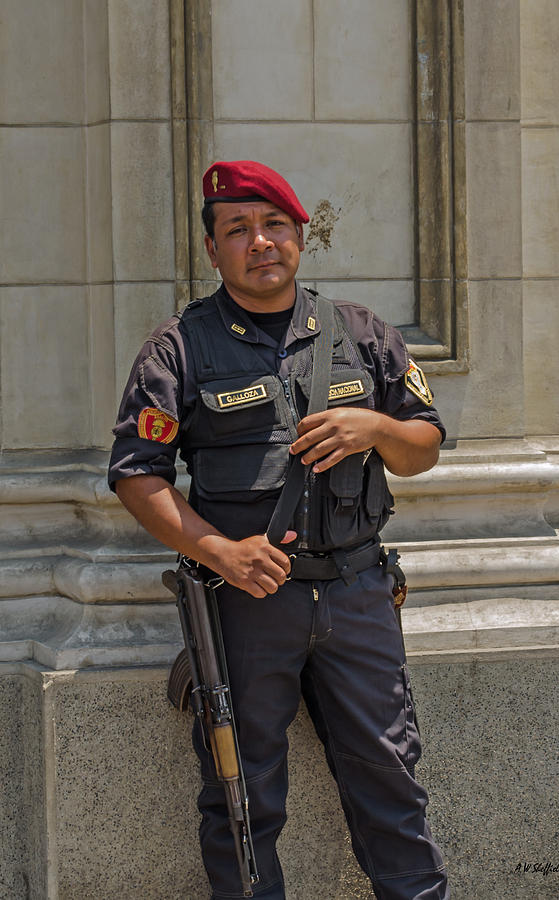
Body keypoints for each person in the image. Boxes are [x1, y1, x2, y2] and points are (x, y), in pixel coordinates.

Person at [109, 159, 449, 900]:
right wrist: (216, 551)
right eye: (237, 230)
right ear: (212, 250)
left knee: (390, 778)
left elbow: (423, 445)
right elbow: (137, 474)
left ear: (300, 237)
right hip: (247, 605)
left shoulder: (361, 332)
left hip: (359, 596)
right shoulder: (178, 348)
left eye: (273, 226)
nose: (258, 242)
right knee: (241, 796)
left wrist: (374, 427)